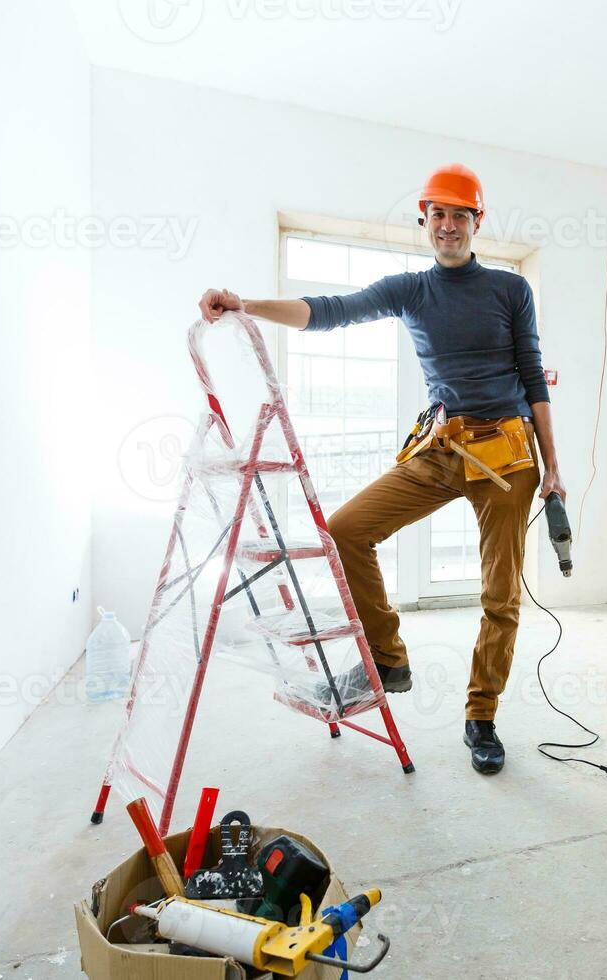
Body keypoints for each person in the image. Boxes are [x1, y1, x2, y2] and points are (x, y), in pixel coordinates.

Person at [197, 164, 564, 775]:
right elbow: (329, 309)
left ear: (478, 221)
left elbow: (533, 375)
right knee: (345, 530)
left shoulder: (509, 290)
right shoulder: (411, 289)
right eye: (438, 214)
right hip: (443, 448)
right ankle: (388, 658)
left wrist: (554, 468)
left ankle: (481, 715)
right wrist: (245, 305)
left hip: (508, 454)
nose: (448, 226)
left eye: (460, 215)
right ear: (425, 220)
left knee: (500, 595)